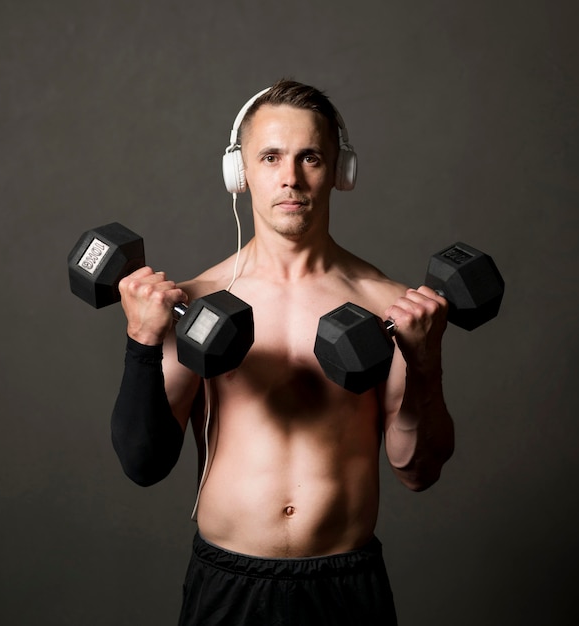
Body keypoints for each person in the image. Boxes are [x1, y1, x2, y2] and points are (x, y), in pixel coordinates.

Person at [111, 79, 455, 625]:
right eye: (270, 157)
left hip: (346, 585)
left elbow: (418, 472)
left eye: (310, 157)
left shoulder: (388, 307)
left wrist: (425, 364)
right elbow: (143, 464)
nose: (290, 178)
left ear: (341, 171)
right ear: (240, 172)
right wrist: (142, 341)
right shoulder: (196, 304)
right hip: (228, 583)